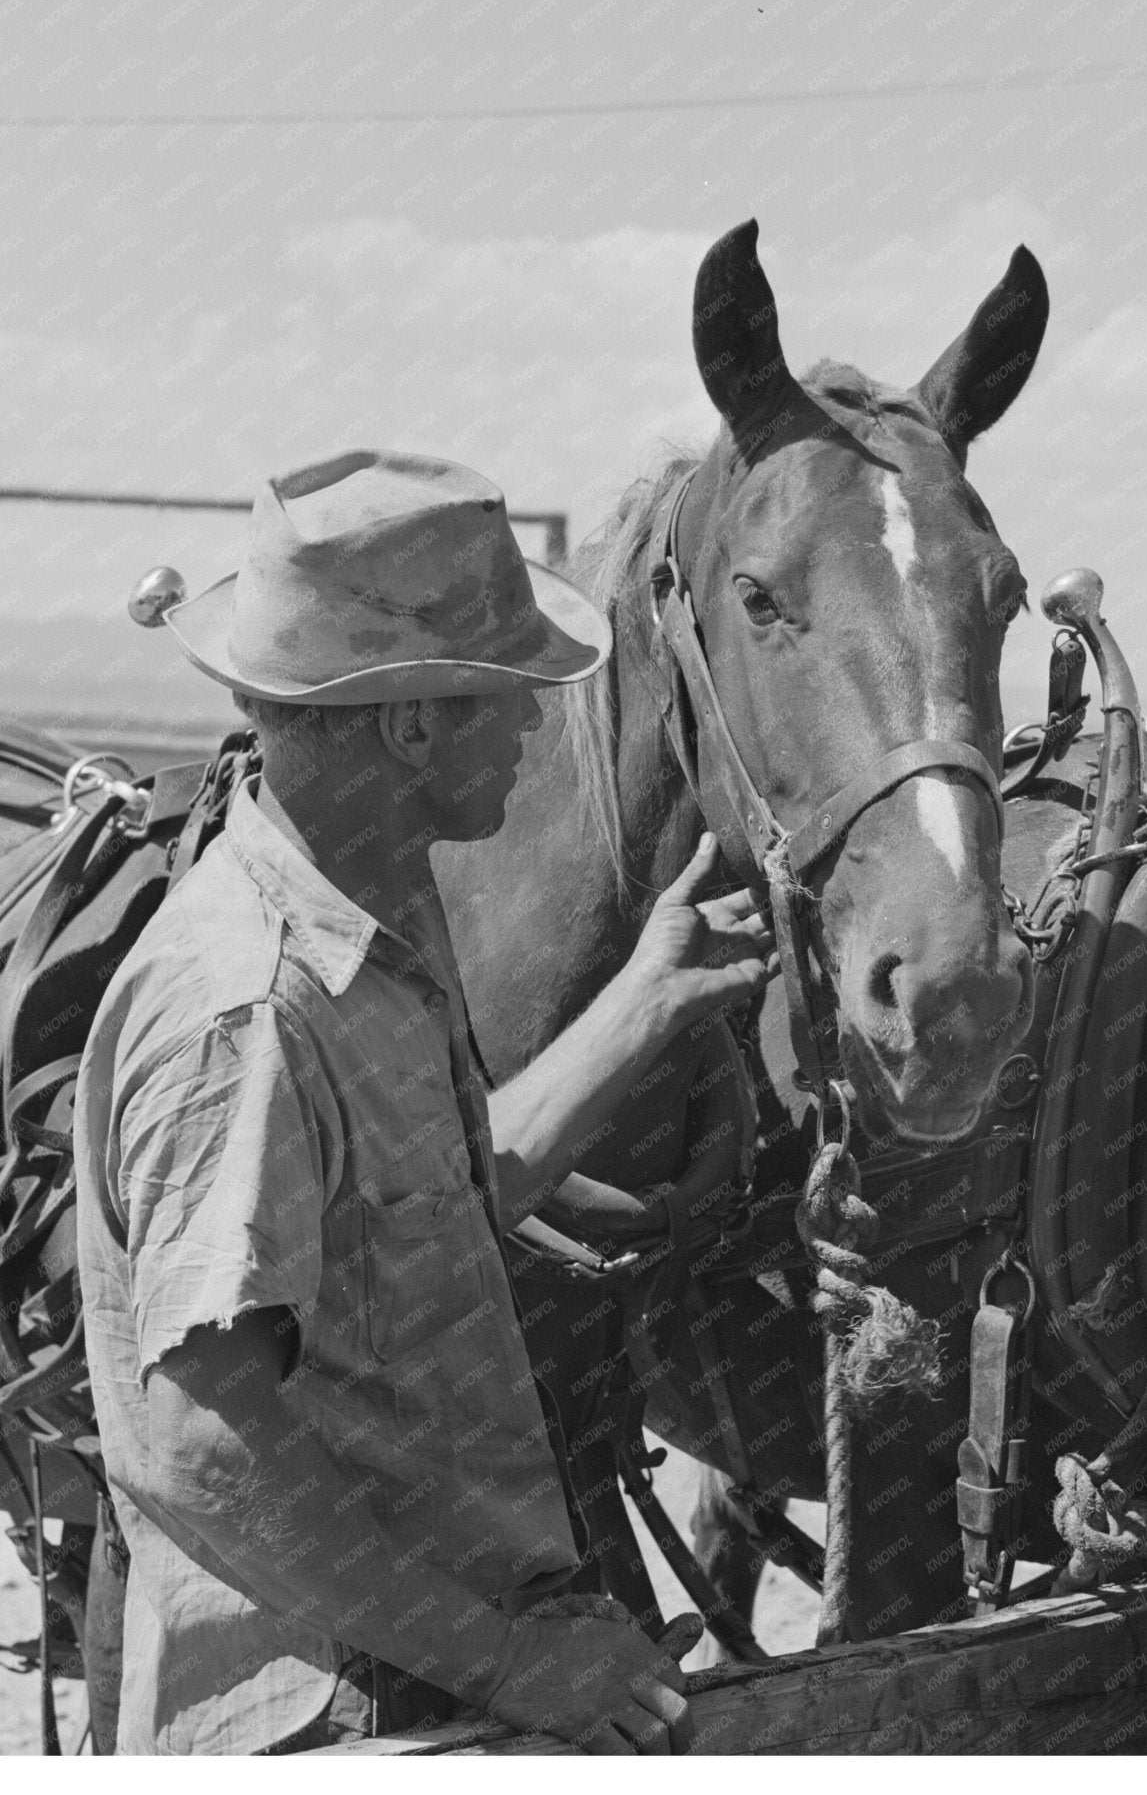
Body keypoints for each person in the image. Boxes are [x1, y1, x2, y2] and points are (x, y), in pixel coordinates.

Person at [74, 451, 775, 1754]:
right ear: (408, 725)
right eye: (511, 697)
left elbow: (433, 1206)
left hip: (420, 1677)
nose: (537, 724)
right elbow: (200, 1448)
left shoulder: (377, 931)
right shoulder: (247, 1013)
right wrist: (510, 1664)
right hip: (336, 1716)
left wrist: (649, 998)